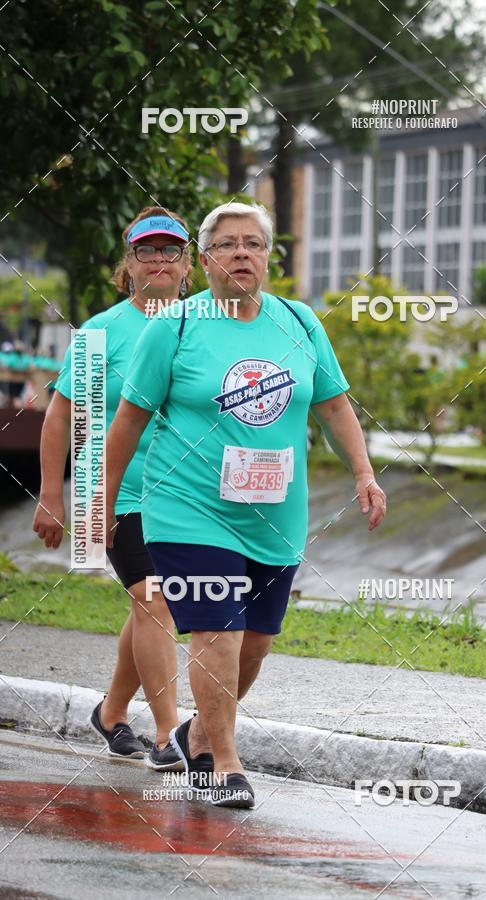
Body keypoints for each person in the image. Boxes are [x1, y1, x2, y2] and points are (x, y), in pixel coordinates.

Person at [104, 201, 387, 807]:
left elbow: (334, 405)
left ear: (267, 258)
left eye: (253, 244)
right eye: (228, 244)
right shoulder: (174, 328)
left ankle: (197, 735)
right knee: (218, 633)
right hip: (189, 509)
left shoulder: (301, 323)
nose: (241, 254)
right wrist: (102, 500)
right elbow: (127, 422)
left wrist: (363, 472)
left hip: (275, 512)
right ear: (204, 260)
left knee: (255, 643)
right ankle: (224, 763)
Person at [32, 205, 193, 770]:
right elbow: (62, 416)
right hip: (117, 490)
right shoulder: (103, 331)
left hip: (185, 492)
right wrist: (53, 494)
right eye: (145, 251)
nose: (157, 261)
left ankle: (112, 711)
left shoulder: (201, 323)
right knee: (155, 600)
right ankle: (171, 733)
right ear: (128, 263)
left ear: (185, 264)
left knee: (148, 605)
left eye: (168, 250)